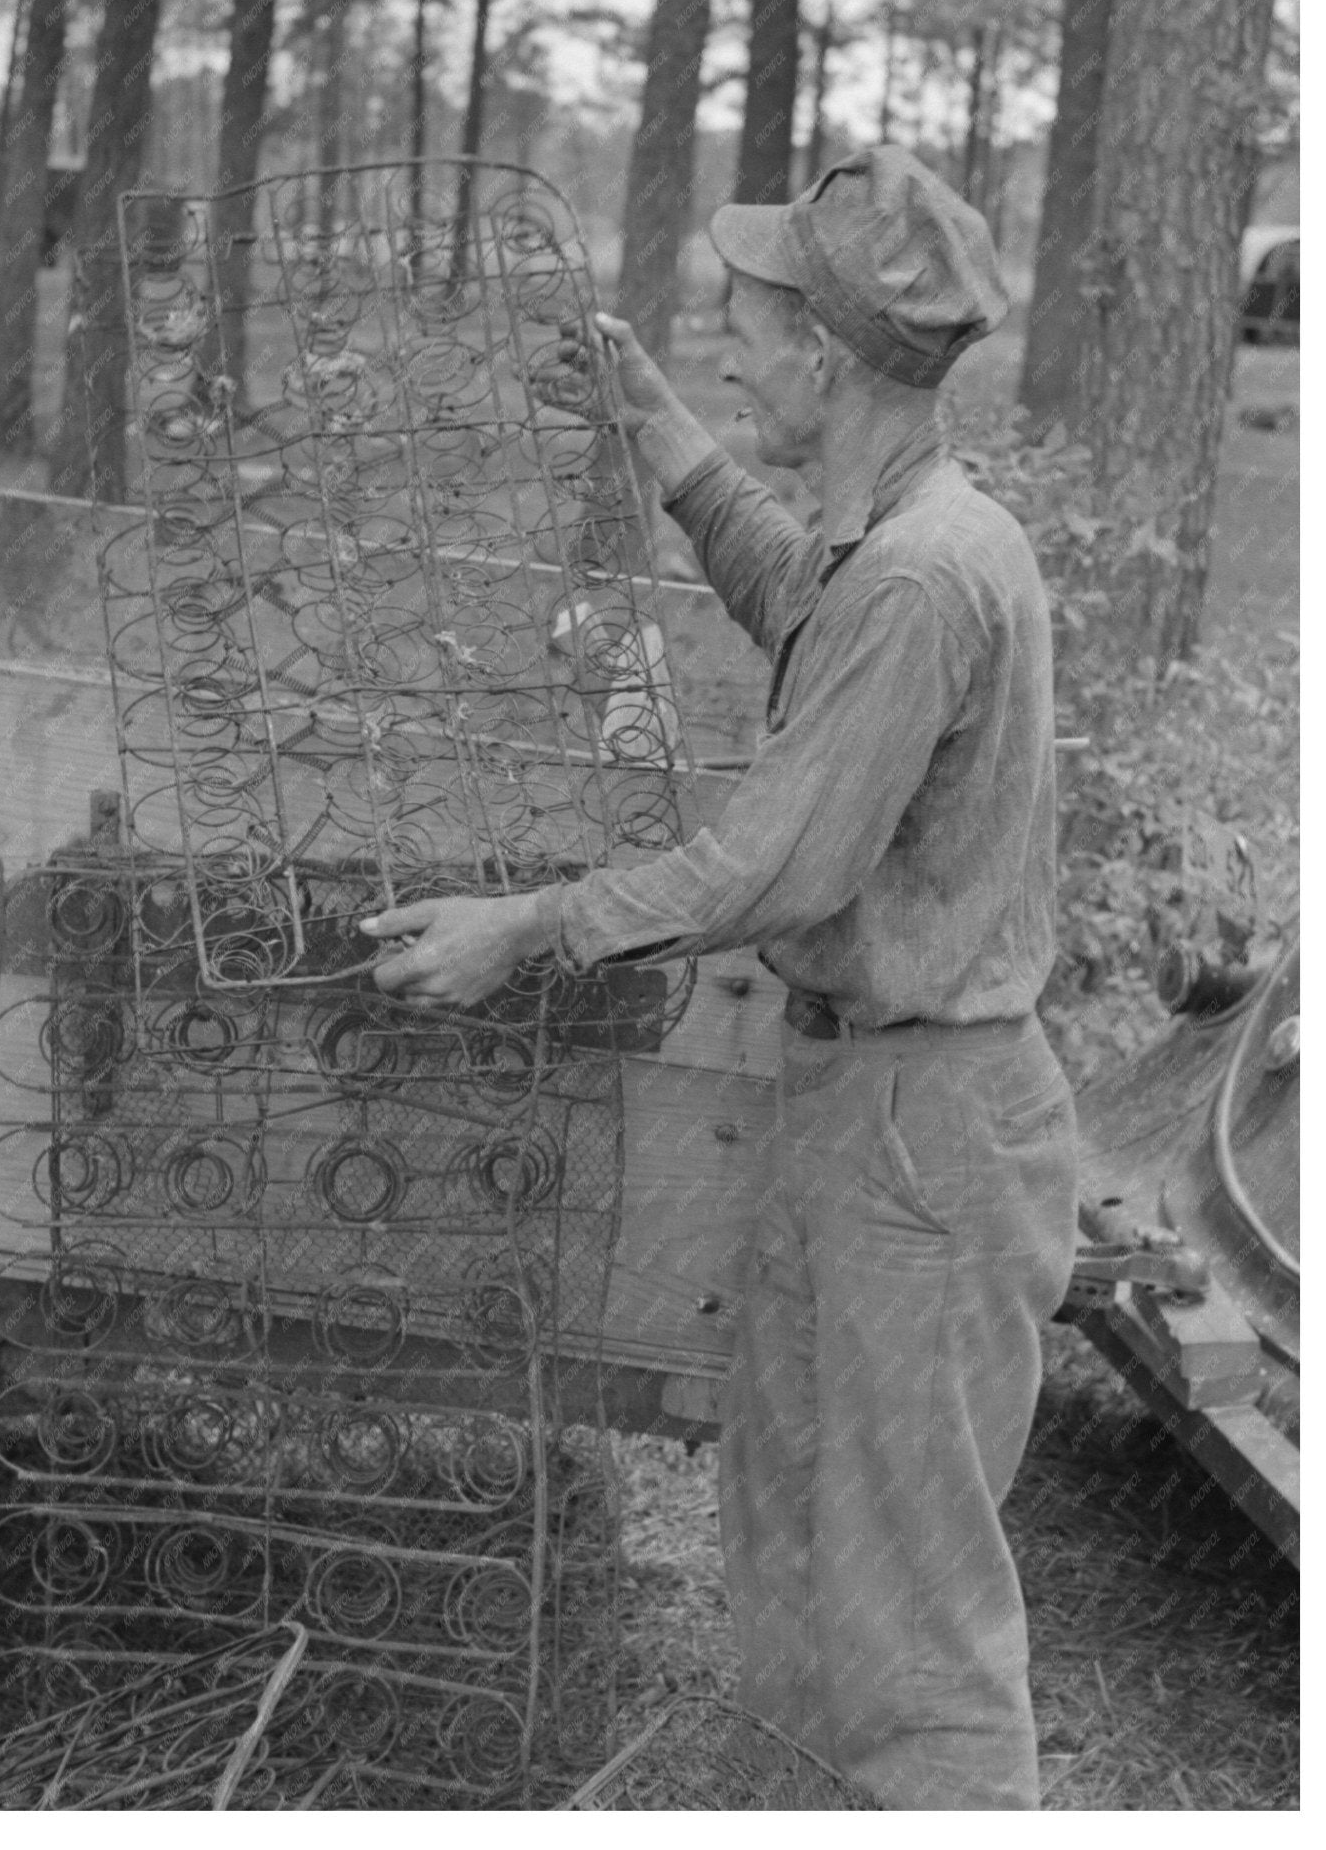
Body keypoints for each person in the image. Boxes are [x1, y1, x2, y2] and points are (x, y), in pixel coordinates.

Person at [360, 146, 1080, 1811]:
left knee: (912, 1640)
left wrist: (526, 924)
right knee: (795, 1552)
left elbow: (782, 866)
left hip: (932, 1135)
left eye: (747, 331)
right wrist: (672, 441)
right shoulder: (901, 535)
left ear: (826, 360)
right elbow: (800, 611)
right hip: (869, 1109)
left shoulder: (918, 575)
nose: (728, 348)